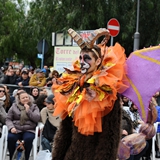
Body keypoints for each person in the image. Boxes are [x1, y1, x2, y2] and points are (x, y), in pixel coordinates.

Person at [51, 28, 129, 159]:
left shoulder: (107, 94)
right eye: (80, 57)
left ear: (98, 62)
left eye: (87, 58)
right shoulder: (74, 89)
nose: (82, 62)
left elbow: (110, 137)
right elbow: (65, 131)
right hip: (72, 155)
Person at [6, 91, 41, 160]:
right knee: (11, 138)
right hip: (16, 129)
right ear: (19, 100)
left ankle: (25, 158)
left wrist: (28, 111)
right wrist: (11, 127)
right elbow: (8, 119)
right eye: (23, 98)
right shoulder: (14, 107)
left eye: (26, 97)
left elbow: (37, 118)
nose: (25, 99)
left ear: (29, 98)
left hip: (29, 129)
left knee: (28, 139)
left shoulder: (34, 107)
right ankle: (12, 157)